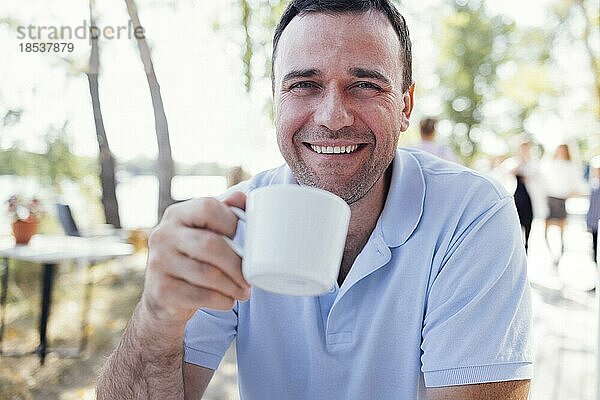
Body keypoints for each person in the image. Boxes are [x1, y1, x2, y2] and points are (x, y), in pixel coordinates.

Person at [96, 1, 532, 399]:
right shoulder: (234, 223)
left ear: (405, 105)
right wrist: (157, 316)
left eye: (364, 84)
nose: (332, 118)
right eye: (304, 84)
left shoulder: (471, 214)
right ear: (275, 103)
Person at [540, 144, 587, 261]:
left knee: (561, 229)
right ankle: (550, 253)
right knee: (546, 228)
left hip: (561, 200)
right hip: (550, 199)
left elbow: (576, 183)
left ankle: (560, 251)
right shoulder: (550, 164)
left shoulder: (570, 166)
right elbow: (542, 179)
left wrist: (572, 192)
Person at [587, 156, 600, 265]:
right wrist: (588, 222)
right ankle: (595, 261)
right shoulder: (594, 186)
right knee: (595, 243)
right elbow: (592, 207)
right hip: (595, 222)